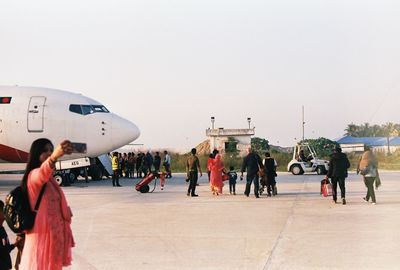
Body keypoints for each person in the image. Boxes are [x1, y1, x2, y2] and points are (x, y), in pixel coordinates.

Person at [19, 138, 75, 270]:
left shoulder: (51, 181)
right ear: (36, 154)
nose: (49, 153)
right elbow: (42, 173)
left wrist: (64, 212)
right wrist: (55, 155)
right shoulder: (34, 176)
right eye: (45, 151)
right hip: (41, 240)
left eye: (51, 150)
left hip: (53, 240)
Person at [0, 200, 22, 270]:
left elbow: (5, 248)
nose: (6, 213)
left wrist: (15, 244)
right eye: (3, 210)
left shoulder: (2, 229)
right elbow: (2, 251)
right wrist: (14, 245)